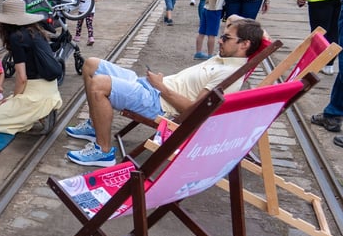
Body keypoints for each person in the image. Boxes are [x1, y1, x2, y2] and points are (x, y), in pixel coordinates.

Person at [64, 16, 265, 167]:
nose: (220, 41)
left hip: (159, 104)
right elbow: (234, 19)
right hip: (152, 87)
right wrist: (259, 35)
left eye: (226, 38)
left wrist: (161, 87)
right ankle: (94, 126)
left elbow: (195, 110)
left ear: (244, 44)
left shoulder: (229, 73)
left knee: (99, 84)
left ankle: (103, 151)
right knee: (91, 65)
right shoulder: (227, 55)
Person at [0, 0, 63, 134]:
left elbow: (22, 78)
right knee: (2, 105)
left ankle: (41, 112)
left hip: (35, 92)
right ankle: (42, 112)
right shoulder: (34, 30)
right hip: (50, 88)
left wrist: (15, 99)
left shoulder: (16, 38)